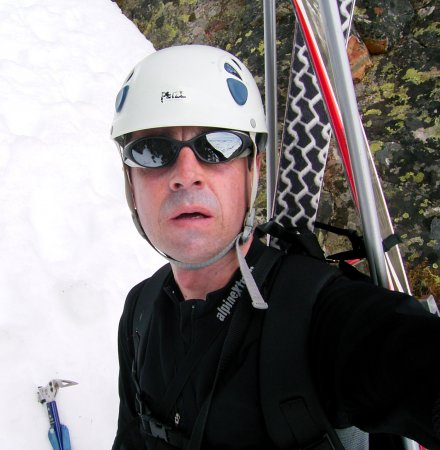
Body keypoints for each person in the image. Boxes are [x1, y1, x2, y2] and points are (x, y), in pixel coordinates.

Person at [109, 45, 440, 450]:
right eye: (152, 151)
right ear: (130, 181)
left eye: (219, 145)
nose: (186, 174)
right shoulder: (140, 310)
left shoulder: (316, 315)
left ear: (253, 169)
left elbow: (408, 360)